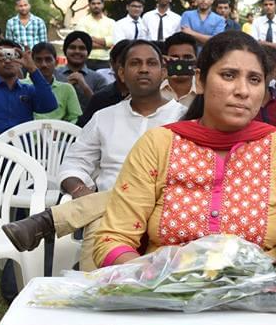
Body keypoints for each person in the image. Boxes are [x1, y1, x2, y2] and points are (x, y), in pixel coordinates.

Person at [90, 31, 276, 281]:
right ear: (200, 81)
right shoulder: (158, 144)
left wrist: (265, 280)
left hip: (256, 300)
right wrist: (154, 278)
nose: (243, 91)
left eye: (255, 79)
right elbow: (111, 240)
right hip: (164, 299)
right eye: (228, 75)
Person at [13, 40, 189, 269]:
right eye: (135, 63)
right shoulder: (104, 118)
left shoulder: (184, 119)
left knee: (130, 196)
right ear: (122, 73)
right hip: (109, 214)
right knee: (94, 275)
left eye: (151, 63)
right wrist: (81, 191)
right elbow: (73, 164)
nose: (144, 69)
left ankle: (50, 221)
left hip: (166, 207)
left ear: (163, 72)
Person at [0, 40, 56, 138]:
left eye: (13, 55)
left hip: (19, 151)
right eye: (2, 55)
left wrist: (33, 69)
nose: (7, 61)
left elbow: (49, 105)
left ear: (20, 63)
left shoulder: (28, 90)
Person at [77, 40, 131, 127]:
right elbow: (82, 130)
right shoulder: (101, 99)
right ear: (112, 64)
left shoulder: (149, 98)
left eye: (134, 63)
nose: (126, 67)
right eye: (122, 62)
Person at [24, 43, 81, 124]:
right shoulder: (22, 86)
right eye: (38, 60)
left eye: (48, 59)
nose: (44, 64)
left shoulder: (67, 89)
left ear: (56, 62)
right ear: (31, 62)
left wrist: (61, 132)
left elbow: (76, 118)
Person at [55, 31, 108, 113]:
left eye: (82, 48)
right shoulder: (54, 75)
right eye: (72, 47)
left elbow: (103, 108)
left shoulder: (98, 79)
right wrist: (65, 88)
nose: (77, 51)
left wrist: (84, 86)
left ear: (88, 52)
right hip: (59, 124)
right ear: (65, 50)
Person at [75, 0, 116, 69]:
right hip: (86, 60)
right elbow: (83, 42)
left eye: (98, 3)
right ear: (89, 5)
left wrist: (92, 38)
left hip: (105, 61)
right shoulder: (82, 21)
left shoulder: (111, 22)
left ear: (103, 5)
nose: (96, 6)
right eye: (93, 4)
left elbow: (112, 41)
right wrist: (105, 44)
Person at [160, 32, 199, 107]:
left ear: (196, 60)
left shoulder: (205, 93)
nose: (181, 62)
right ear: (166, 60)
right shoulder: (153, 91)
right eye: (175, 58)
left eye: (187, 57)